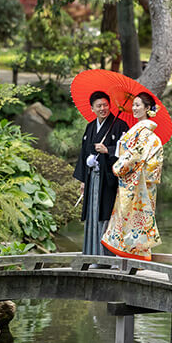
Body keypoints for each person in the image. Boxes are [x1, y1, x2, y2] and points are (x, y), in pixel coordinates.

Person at [101, 92, 163, 261]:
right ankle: (134, 256)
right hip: (138, 181)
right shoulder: (142, 131)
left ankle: (134, 257)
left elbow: (135, 156)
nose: (134, 108)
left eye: (138, 105)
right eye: (133, 105)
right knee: (137, 219)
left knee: (134, 218)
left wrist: (118, 166)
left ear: (147, 108)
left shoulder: (143, 132)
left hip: (137, 182)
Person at [73, 91, 129, 257]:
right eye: (99, 106)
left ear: (109, 105)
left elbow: (127, 151)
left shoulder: (120, 126)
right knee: (93, 215)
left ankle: (107, 256)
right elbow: (84, 153)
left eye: (105, 105)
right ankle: (92, 254)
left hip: (109, 180)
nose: (103, 108)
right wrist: (83, 179)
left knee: (107, 216)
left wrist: (109, 150)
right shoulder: (90, 127)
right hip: (92, 179)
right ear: (92, 108)